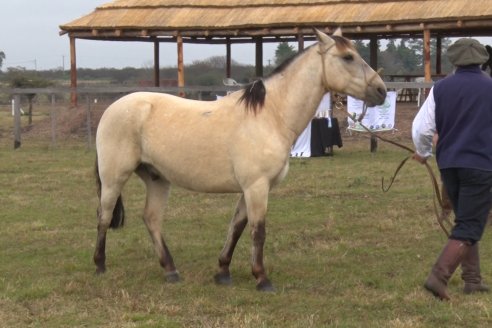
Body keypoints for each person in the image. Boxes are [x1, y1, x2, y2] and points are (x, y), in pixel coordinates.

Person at [412, 38, 492, 300]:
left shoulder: (440, 89)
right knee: (470, 225)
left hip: (449, 164)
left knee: (465, 219)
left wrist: (423, 152)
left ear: (454, 61)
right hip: (480, 165)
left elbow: (421, 127)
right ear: (482, 60)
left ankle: (472, 279)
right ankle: (439, 276)